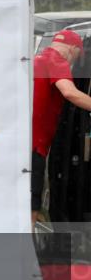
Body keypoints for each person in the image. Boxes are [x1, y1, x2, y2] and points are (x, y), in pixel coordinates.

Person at [32, 29, 91, 224]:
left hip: (25, 142)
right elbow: (70, 93)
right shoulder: (56, 60)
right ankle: (23, 252)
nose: (73, 64)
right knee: (32, 208)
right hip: (35, 146)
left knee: (25, 203)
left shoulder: (36, 59)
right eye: (76, 57)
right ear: (73, 49)